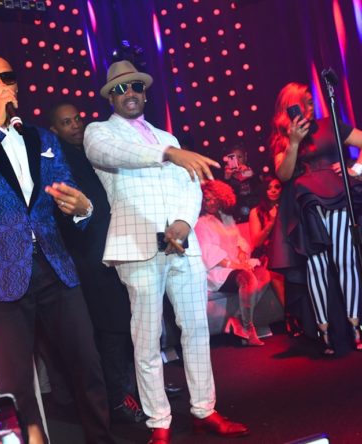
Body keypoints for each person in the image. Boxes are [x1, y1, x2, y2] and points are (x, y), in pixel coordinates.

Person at [0, 55, 115, 444]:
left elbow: (66, 189)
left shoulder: (42, 138)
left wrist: (82, 208)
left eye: (7, 77)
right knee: (16, 380)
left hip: (54, 265)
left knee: (87, 363)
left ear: (16, 85)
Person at [84, 60, 248, 443]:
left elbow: (189, 185)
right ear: (110, 97)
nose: (129, 93)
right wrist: (169, 153)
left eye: (135, 86)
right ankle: (159, 421)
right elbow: (115, 155)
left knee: (196, 329)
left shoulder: (165, 135)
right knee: (147, 337)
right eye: (120, 89)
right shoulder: (99, 133)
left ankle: (204, 410)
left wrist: (184, 223)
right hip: (137, 246)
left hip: (181, 247)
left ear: (144, 92)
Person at [48, 102, 145, 424]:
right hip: (91, 256)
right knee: (111, 329)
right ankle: (118, 400)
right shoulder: (59, 162)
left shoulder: (92, 151)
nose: (76, 125)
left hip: (117, 247)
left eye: (77, 119)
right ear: (54, 131)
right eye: (66, 122)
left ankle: (141, 391)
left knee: (129, 323)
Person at [269, 81, 362, 355]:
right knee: (317, 267)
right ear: (291, 107)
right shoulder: (284, 138)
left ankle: (356, 325)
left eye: (311, 102)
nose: (310, 107)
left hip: (337, 195)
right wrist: (294, 142)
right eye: (305, 102)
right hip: (306, 205)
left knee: (345, 260)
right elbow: (283, 174)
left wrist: (356, 169)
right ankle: (325, 332)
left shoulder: (329, 125)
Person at [195, 180, 270, 346]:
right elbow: (207, 252)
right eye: (205, 199)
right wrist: (234, 265)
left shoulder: (227, 218)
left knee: (264, 274)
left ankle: (236, 319)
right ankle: (249, 329)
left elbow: (238, 240)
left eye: (211, 198)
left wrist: (242, 251)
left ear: (221, 197)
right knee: (247, 278)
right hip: (217, 271)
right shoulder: (201, 223)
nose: (208, 202)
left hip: (235, 265)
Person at [248, 176, 286, 309]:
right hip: (266, 254)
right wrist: (271, 222)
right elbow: (256, 242)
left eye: (277, 187)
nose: (273, 191)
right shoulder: (256, 212)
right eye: (269, 188)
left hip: (287, 251)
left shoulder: (288, 207)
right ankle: (290, 314)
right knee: (276, 272)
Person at [223, 145, 260, 223]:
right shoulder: (227, 175)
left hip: (254, 213)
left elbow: (260, 189)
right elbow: (225, 199)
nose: (237, 161)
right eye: (234, 158)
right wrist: (227, 179)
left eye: (239, 157)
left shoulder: (252, 171)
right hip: (236, 217)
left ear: (245, 157)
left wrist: (249, 174)